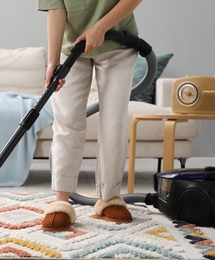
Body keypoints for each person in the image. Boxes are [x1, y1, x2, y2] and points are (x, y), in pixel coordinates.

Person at [38, 0, 143, 231]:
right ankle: (61, 201)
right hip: (72, 47)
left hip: (118, 42)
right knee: (67, 121)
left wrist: (101, 27)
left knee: (113, 122)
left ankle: (109, 196)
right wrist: (53, 62)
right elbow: (56, 8)